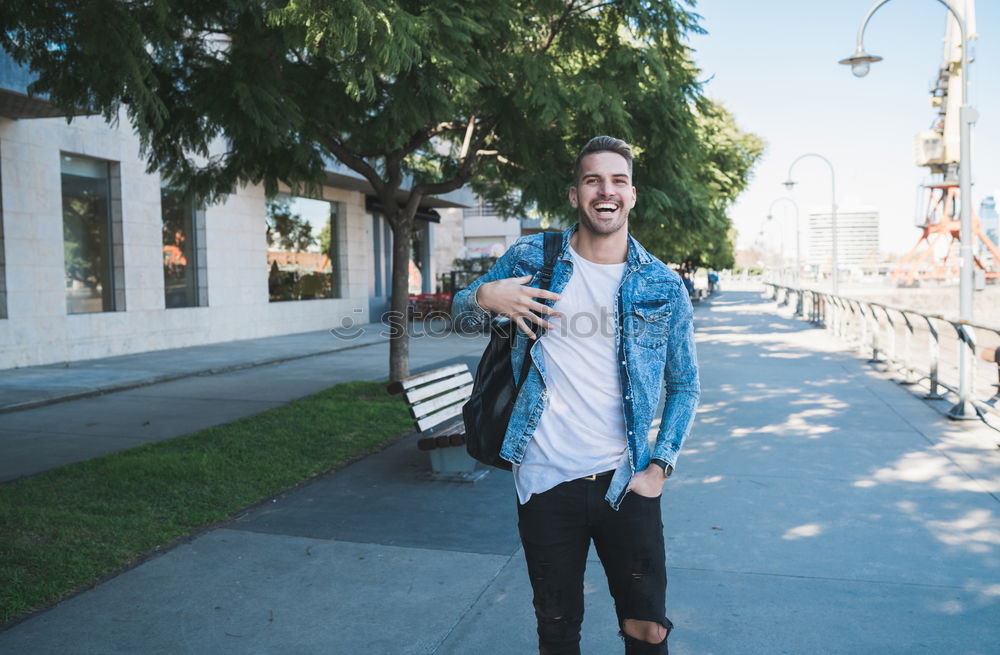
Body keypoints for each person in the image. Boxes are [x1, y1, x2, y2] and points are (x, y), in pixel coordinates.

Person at [453, 136, 700, 654]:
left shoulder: (661, 284)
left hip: (625, 480)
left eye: (616, 181)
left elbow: (684, 382)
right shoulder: (533, 257)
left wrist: (661, 465)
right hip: (546, 480)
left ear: (632, 194)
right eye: (593, 180)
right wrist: (482, 295)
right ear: (574, 194)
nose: (604, 191)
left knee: (647, 627)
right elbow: (458, 314)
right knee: (558, 626)